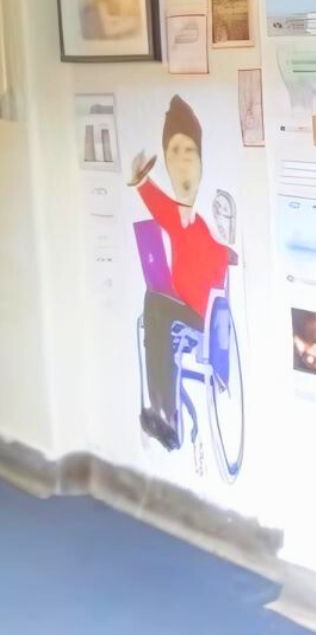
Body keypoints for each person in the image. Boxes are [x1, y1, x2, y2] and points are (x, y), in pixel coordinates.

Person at [131, 96, 231, 450]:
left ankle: (165, 412)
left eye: (189, 150)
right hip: (185, 306)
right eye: (174, 151)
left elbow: (223, 252)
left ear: (201, 158)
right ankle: (164, 412)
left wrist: (226, 250)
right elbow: (161, 209)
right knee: (156, 312)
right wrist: (142, 182)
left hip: (203, 313)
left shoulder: (205, 218)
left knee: (157, 311)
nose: (182, 159)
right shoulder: (183, 218)